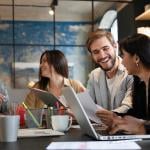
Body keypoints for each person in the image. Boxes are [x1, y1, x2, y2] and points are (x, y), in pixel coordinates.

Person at [96, 33, 150, 135]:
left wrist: (143, 128)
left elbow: (141, 124)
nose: (122, 62)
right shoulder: (139, 82)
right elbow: (137, 114)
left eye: (123, 55)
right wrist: (115, 116)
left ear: (136, 58)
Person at [86, 29, 133, 113]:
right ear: (92, 55)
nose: (102, 55)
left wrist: (108, 116)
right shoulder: (94, 75)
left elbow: (128, 107)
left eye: (105, 49)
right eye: (96, 52)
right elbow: (88, 106)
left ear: (115, 46)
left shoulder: (131, 72)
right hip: (100, 125)